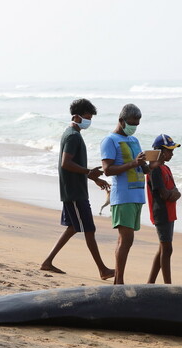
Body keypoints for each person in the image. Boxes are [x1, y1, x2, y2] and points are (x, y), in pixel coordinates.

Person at [40, 99, 115, 280]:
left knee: (73, 227)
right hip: (74, 192)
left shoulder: (70, 133)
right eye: (87, 118)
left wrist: (92, 177)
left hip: (73, 189)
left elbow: (72, 165)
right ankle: (103, 270)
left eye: (90, 118)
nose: (88, 121)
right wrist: (89, 172)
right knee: (89, 229)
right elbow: (66, 163)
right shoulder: (73, 136)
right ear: (76, 116)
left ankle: (47, 262)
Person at [101, 104, 151, 284]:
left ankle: (118, 279)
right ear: (121, 121)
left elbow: (143, 168)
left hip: (137, 195)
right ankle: (119, 281)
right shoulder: (109, 140)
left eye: (137, 124)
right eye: (131, 123)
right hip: (123, 196)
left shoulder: (134, 140)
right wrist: (133, 163)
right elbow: (107, 170)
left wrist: (155, 162)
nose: (134, 127)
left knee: (126, 240)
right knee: (126, 239)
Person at [146, 134, 181, 284]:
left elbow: (174, 191)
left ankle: (150, 283)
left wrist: (174, 193)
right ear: (159, 151)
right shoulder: (155, 169)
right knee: (167, 249)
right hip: (161, 212)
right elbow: (165, 193)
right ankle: (168, 285)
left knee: (163, 248)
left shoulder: (165, 167)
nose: (171, 154)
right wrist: (174, 194)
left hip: (169, 212)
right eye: (169, 150)